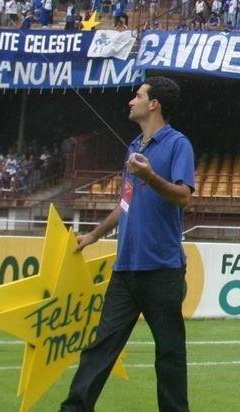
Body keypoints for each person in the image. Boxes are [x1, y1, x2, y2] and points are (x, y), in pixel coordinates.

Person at [61, 76, 195, 411]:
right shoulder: (133, 148)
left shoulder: (179, 144)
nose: (130, 101)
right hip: (126, 270)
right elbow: (126, 203)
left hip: (163, 269)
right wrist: (93, 235)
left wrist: (150, 176)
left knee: (169, 353)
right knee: (100, 347)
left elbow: (183, 197)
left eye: (137, 96)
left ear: (154, 104)